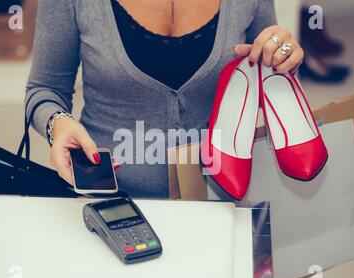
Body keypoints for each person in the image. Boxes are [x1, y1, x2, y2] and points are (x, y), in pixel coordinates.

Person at [25, 0, 304, 198]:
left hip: (219, 196)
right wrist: (58, 124)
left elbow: (265, 78)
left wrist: (283, 58)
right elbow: (44, 88)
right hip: (108, 202)